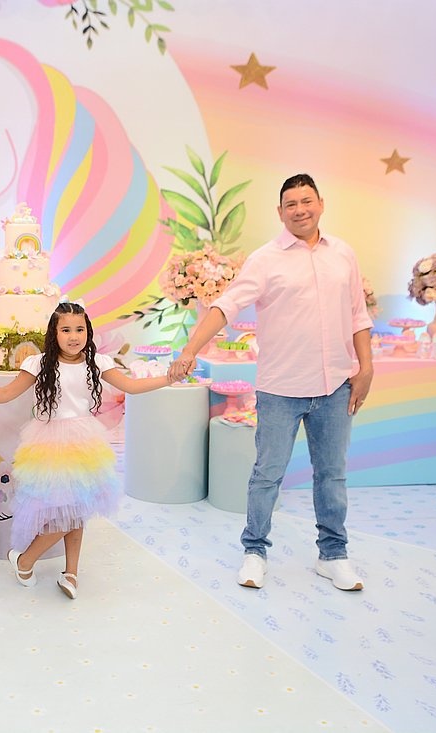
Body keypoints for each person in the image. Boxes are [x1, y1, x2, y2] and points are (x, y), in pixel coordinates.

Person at [170, 173, 373, 592]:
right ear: (280, 212)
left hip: (335, 385)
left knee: (332, 476)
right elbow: (226, 306)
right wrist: (190, 349)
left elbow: (358, 315)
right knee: (267, 475)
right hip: (281, 387)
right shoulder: (265, 259)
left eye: (307, 201)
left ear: (321, 203)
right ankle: (254, 552)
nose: (300, 210)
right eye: (291, 204)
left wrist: (365, 367)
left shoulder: (343, 254)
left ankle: (333, 555)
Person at [0, 302, 175, 599]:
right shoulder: (39, 363)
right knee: (70, 509)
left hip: (85, 442)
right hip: (50, 443)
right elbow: (6, 393)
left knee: (78, 507)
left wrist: (169, 378)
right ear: (54, 333)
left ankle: (71, 572)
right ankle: (25, 559)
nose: (73, 336)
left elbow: (130, 386)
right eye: (66, 330)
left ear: (88, 331)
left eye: (80, 329)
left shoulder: (98, 362)